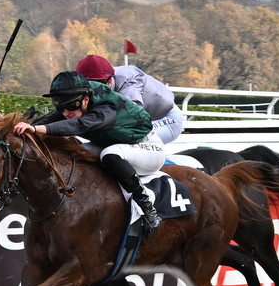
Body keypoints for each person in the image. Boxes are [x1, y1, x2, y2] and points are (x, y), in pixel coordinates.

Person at [14, 69, 167, 231]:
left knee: (109, 155)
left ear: (85, 100)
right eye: (61, 107)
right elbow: (45, 120)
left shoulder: (107, 108)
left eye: (69, 106)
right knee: (73, 153)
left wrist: (38, 129)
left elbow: (80, 125)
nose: (65, 113)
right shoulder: (76, 101)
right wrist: (11, 125)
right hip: (117, 143)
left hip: (148, 148)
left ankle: (148, 208)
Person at [74, 54, 185, 146]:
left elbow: (130, 121)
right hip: (144, 119)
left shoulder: (130, 81)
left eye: (95, 86)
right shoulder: (103, 78)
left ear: (109, 82)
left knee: (123, 144)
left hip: (166, 118)